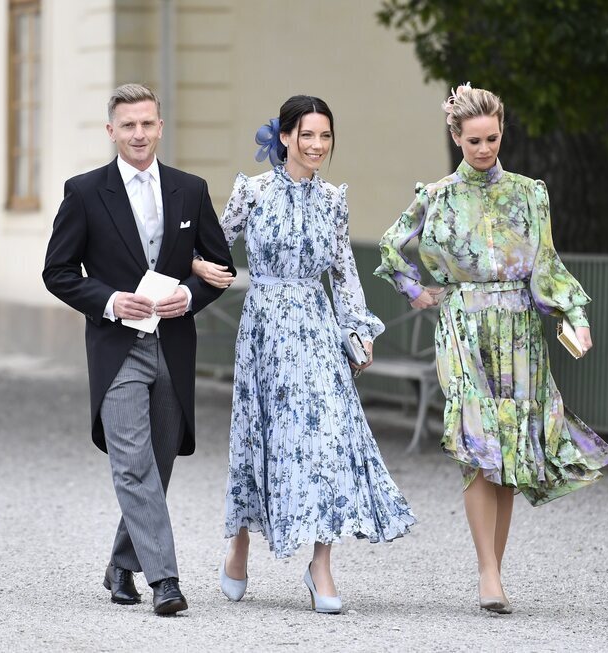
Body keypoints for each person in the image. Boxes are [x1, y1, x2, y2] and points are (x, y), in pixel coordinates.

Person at [375, 83, 608, 614]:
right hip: (462, 328)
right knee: (478, 443)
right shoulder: (436, 195)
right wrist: (417, 291)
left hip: (521, 329)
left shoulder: (531, 193)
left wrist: (573, 315)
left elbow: (546, 264)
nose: (484, 149)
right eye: (473, 141)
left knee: (508, 448)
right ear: (456, 137)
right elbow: (392, 245)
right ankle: (487, 572)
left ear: (502, 130)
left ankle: (495, 573)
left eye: (492, 138)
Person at [191, 95, 415, 614]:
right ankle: (239, 543)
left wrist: (358, 331)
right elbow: (214, 245)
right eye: (307, 135)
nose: (317, 145)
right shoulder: (253, 193)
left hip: (317, 329)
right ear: (285, 136)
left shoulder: (334, 201)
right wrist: (199, 268)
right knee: (261, 437)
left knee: (327, 440)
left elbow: (343, 273)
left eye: (326, 136)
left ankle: (320, 567)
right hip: (266, 329)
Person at [42, 83, 234, 616]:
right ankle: (165, 580)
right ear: (111, 131)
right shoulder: (83, 192)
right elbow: (56, 272)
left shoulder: (189, 190)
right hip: (116, 348)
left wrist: (189, 295)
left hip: (173, 345)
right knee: (132, 464)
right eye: (128, 125)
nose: (139, 134)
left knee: (160, 459)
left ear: (160, 126)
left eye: (147, 123)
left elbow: (220, 268)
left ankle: (120, 563)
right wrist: (107, 301)